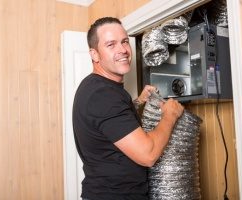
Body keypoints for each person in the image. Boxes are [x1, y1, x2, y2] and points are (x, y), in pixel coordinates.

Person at [72, 17, 184, 200]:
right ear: (94, 54)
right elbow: (148, 155)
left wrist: (138, 102)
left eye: (124, 41)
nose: (123, 50)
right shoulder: (103, 95)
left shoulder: (97, 87)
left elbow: (108, 124)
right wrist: (169, 116)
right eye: (111, 44)